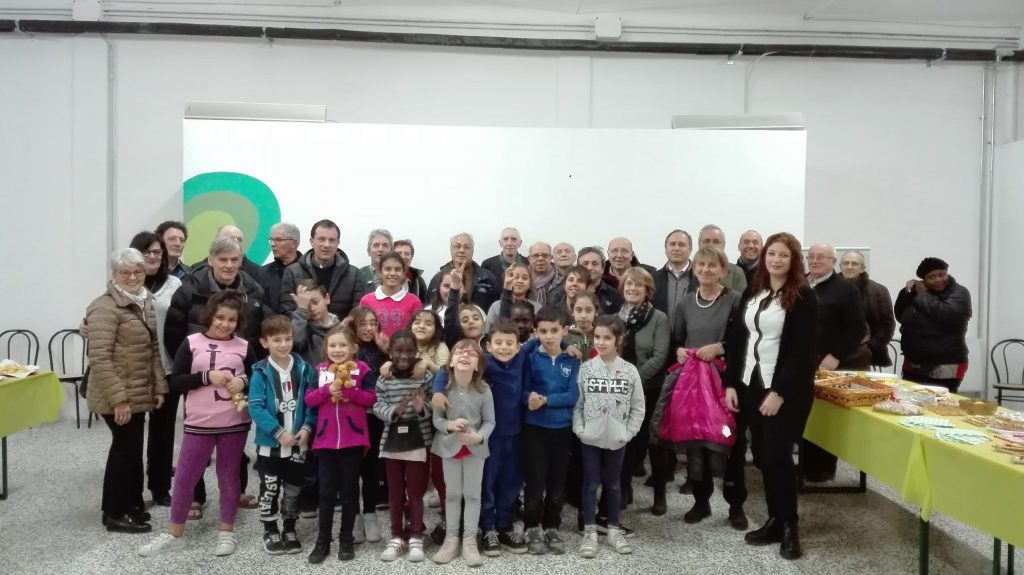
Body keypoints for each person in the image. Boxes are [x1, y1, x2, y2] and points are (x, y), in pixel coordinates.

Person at [139, 290, 254, 557]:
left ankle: (226, 532)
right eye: (220, 317)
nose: (225, 324)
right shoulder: (191, 343)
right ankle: (174, 533)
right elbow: (176, 381)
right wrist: (205, 377)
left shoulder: (243, 346)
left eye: (232, 320)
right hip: (199, 423)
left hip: (233, 423)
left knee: (229, 476)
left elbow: (257, 376)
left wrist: (244, 382)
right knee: (185, 477)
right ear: (209, 315)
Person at [724, 232, 818, 561]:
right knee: (763, 457)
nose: (776, 260)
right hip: (751, 383)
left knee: (778, 456)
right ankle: (775, 520)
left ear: (794, 261)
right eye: (772, 253)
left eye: (784, 255)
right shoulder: (755, 289)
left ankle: (790, 526)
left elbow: (802, 352)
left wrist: (779, 391)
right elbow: (738, 338)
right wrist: (732, 383)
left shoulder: (803, 296)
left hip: (785, 390)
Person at [163, 236, 264, 515]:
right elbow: (173, 332)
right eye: (222, 259)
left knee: (235, 442)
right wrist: (193, 367)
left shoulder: (254, 290)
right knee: (196, 446)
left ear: (241, 261)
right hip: (199, 379)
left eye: (234, 259)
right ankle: (196, 497)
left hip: (236, 380)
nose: (228, 265)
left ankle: (237, 492)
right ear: (210, 260)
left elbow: (256, 333)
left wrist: (246, 376)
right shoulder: (189, 289)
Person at [655, 246, 745, 527]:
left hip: (725, 382)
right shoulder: (685, 303)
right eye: (701, 265)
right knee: (696, 444)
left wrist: (720, 347)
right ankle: (701, 502)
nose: (705, 270)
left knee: (730, 442)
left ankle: (736, 506)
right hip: (693, 384)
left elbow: (744, 340)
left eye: (712, 265)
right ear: (695, 269)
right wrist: (680, 351)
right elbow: (677, 339)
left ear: (723, 270)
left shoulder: (736, 300)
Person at [86, 248, 168, 533]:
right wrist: (119, 400)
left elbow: (152, 349)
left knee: (131, 451)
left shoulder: (144, 301)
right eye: (125, 273)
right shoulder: (104, 307)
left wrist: (159, 386)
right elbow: (100, 358)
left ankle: (129, 504)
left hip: (139, 390)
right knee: (123, 451)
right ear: (114, 275)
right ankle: (115, 514)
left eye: (137, 271)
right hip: (117, 395)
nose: (132, 277)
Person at [575, 315, 645, 558]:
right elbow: (577, 405)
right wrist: (580, 429)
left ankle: (613, 529)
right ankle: (590, 532)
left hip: (617, 439)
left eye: (607, 338)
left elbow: (638, 407)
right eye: (597, 337)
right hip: (590, 439)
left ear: (618, 340)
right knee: (590, 483)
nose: (601, 342)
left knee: (614, 484)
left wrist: (628, 433)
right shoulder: (585, 369)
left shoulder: (629, 371)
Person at [306, 325, 376, 564]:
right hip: (325, 441)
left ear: (353, 348)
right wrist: (328, 390)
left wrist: (351, 393)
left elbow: (371, 398)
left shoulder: (362, 369)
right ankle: (322, 540)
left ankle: (346, 538)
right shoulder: (320, 370)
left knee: (349, 492)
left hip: (353, 441)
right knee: (325, 493)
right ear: (326, 348)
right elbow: (309, 398)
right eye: (333, 345)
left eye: (343, 345)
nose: (337, 350)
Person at [248, 315, 317, 556]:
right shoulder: (260, 372)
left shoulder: (304, 369)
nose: (283, 344)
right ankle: (270, 529)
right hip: (270, 446)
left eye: (287, 338)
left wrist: (307, 428)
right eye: (276, 340)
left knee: (294, 489)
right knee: (270, 488)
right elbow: (255, 407)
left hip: (298, 445)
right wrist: (278, 432)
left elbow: (311, 402)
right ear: (264, 342)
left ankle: (289, 528)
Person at [802, 243, 867, 483]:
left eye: (821, 257)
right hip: (802, 360)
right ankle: (804, 464)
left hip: (829, 363)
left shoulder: (846, 289)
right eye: (811, 257)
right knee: (805, 413)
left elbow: (857, 327)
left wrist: (836, 355)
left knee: (825, 417)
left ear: (833, 261)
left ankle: (823, 468)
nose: (815, 261)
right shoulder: (801, 284)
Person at [430, 339, 496, 567]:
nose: (465, 355)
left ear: (478, 365)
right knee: (452, 494)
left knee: (473, 495)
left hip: (475, 450)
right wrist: (449, 425)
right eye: (459, 352)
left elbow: (490, 421)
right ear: (450, 362)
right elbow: (437, 419)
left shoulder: (484, 390)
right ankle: (451, 539)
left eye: (471, 353)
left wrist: (479, 437)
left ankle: (469, 540)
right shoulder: (443, 389)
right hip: (449, 448)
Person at [521, 306, 580, 555]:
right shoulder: (530, 358)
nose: (549, 336)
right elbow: (522, 390)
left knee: (557, 483)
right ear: (536, 332)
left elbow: (573, 394)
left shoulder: (572, 360)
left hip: (562, 429)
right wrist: (529, 398)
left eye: (554, 331)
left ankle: (552, 526)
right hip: (534, 429)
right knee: (535, 482)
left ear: (564, 331)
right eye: (543, 331)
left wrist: (546, 400)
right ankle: (531, 527)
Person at [128, 232, 181, 507]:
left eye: (157, 252)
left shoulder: (174, 284)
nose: (152, 256)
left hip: (167, 368)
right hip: (135, 370)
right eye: (146, 251)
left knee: (163, 432)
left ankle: (160, 487)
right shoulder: (127, 283)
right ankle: (133, 493)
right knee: (133, 435)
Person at [373, 330, 436, 563]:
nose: (404, 356)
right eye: (398, 351)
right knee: (395, 493)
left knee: (416, 493)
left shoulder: (424, 377)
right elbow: (378, 405)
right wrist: (395, 410)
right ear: (390, 352)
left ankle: (416, 536)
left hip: (419, 441)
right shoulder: (384, 378)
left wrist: (420, 408)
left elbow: (433, 403)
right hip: (392, 443)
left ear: (416, 351)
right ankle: (397, 537)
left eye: (410, 351)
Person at [617, 267, 670, 518]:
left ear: (648, 290)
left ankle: (659, 494)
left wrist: (633, 379)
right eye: (628, 284)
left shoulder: (659, 318)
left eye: (638, 285)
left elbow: (660, 356)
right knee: (624, 442)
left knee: (654, 444)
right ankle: (624, 489)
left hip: (650, 389)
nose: (632, 288)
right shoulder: (615, 318)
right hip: (620, 391)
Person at [894, 257, 972, 392]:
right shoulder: (916, 292)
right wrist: (907, 294)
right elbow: (901, 316)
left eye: (942, 274)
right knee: (912, 400)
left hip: (946, 363)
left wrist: (923, 294)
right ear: (924, 280)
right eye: (931, 277)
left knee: (940, 401)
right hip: (914, 362)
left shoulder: (959, 292)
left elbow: (947, 314)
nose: (938, 280)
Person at [348, 306, 389, 544]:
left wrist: (387, 352)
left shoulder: (382, 348)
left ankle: (370, 513)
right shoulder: (347, 348)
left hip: (376, 414)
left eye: (373, 323)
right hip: (351, 415)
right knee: (352, 466)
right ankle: (354, 515)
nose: (369, 328)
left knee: (371, 466)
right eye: (363, 323)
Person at [279, 219, 363, 318]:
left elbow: (357, 312)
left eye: (332, 240)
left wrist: (338, 326)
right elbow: (287, 310)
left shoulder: (353, 274)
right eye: (321, 239)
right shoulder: (292, 272)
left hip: (341, 327)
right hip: (304, 327)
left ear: (338, 243)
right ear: (312, 242)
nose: (327, 245)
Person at [840, 250, 896, 369]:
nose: (849, 267)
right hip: (830, 354)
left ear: (862, 268)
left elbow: (887, 324)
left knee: (859, 381)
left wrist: (870, 348)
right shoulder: (827, 289)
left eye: (854, 264)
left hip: (862, 353)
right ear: (840, 266)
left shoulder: (878, 290)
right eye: (846, 263)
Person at [427, 233, 500, 312]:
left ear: (472, 251)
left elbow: (497, 309)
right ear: (451, 249)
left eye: (466, 247)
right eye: (457, 246)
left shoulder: (488, 278)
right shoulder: (438, 278)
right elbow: (429, 307)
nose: (461, 250)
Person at [359, 251, 423, 337]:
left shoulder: (414, 302)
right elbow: (361, 330)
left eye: (397, 269)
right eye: (388, 269)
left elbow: (418, 333)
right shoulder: (366, 301)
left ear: (403, 273)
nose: (392, 273)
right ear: (380, 273)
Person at [290, 279, 341, 367]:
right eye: (307, 305)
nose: (312, 308)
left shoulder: (341, 328)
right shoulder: (303, 327)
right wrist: (301, 311)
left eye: (315, 302)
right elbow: (295, 342)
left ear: (327, 298)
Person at [653, 229, 695, 328]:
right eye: (672, 244)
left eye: (681, 245)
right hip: (660, 334)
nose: (676, 248)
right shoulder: (653, 279)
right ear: (665, 248)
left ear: (690, 249)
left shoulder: (700, 279)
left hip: (690, 335)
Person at [190, 225, 262, 279]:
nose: (236, 243)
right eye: (231, 239)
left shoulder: (257, 272)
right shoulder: (196, 271)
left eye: (239, 240)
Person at [259, 222, 302, 313]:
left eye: (278, 240)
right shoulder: (262, 273)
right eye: (271, 240)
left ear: (294, 243)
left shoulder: (309, 271)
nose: (272, 244)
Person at [485, 263, 539, 332]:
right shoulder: (496, 307)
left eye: (524, 278)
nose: (520, 281)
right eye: (515, 277)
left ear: (530, 283)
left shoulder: (537, 307)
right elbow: (488, 331)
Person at [698, 225, 748, 293]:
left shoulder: (736, 273)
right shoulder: (689, 271)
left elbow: (743, 299)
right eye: (706, 241)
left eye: (716, 242)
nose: (711, 245)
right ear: (699, 244)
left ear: (724, 245)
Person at [576, 247, 624, 314]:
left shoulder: (615, 296)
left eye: (594, 264)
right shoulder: (566, 292)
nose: (590, 268)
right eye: (585, 264)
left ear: (603, 268)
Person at [356, 229, 394, 294]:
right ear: (368, 251)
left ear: (392, 251)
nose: (380, 249)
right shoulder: (358, 275)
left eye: (385, 245)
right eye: (376, 245)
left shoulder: (398, 274)